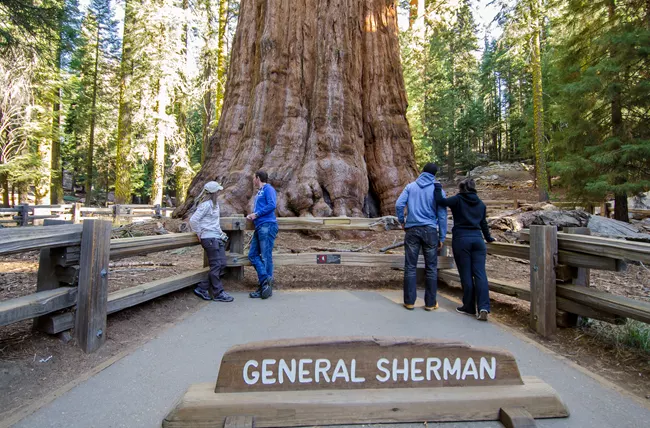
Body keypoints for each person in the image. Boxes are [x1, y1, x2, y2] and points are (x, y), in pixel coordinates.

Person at [434, 178, 495, 321]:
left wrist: (437, 187)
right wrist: (488, 238)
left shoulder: (457, 200)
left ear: (461, 188)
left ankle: (468, 306)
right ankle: (484, 306)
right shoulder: (481, 204)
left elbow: (440, 201)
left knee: (466, 273)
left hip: (461, 240)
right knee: (480, 274)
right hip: (478, 240)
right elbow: (483, 224)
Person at [395, 163, 448, 311]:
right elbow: (442, 215)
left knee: (410, 266)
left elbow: (399, 204)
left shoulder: (411, 187)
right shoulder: (438, 190)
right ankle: (430, 303)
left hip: (412, 229)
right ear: (434, 175)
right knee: (431, 267)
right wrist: (442, 236)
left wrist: (402, 221)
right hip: (430, 230)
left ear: (422, 171)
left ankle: (409, 301)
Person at [189, 181, 234, 302]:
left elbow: (215, 223)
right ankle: (218, 293)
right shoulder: (205, 205)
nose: (219, 192)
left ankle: (202, 288)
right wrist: (199, 232)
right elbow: (193, 220)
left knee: (222, 264)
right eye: (218, 191)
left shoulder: (215, 204)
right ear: (213, 192)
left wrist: (220, 233)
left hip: (216, 237)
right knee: (216, 266)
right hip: (208, 238)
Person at [247, 170, 278, 299]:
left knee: (265, 256)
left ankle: (264, 287)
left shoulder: (268, 189)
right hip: (260, 226)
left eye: (254, 178)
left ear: (258, 178)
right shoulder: (260, 191)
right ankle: (265, 281)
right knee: (252, 255)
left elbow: (272, 205)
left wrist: (256, 214)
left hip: (267, 225)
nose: (253, 180)